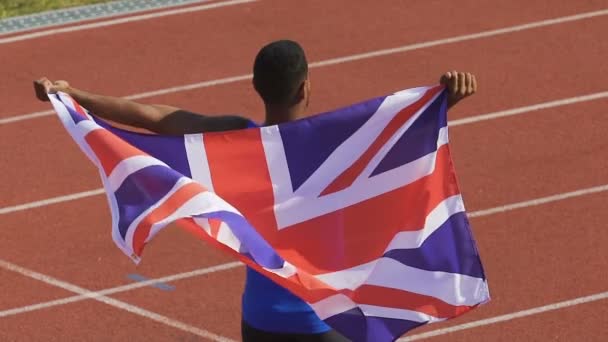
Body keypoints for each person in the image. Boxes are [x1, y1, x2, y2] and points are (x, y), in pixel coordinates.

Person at [34, 39, 477, 342]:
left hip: (258, 324)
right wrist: (443, 101)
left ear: (257, 88)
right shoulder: (338, 147)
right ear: (306, 85)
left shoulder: (235, 142)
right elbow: (402, 139)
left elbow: (153, 117)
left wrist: (74, 96)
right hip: (321, 325)